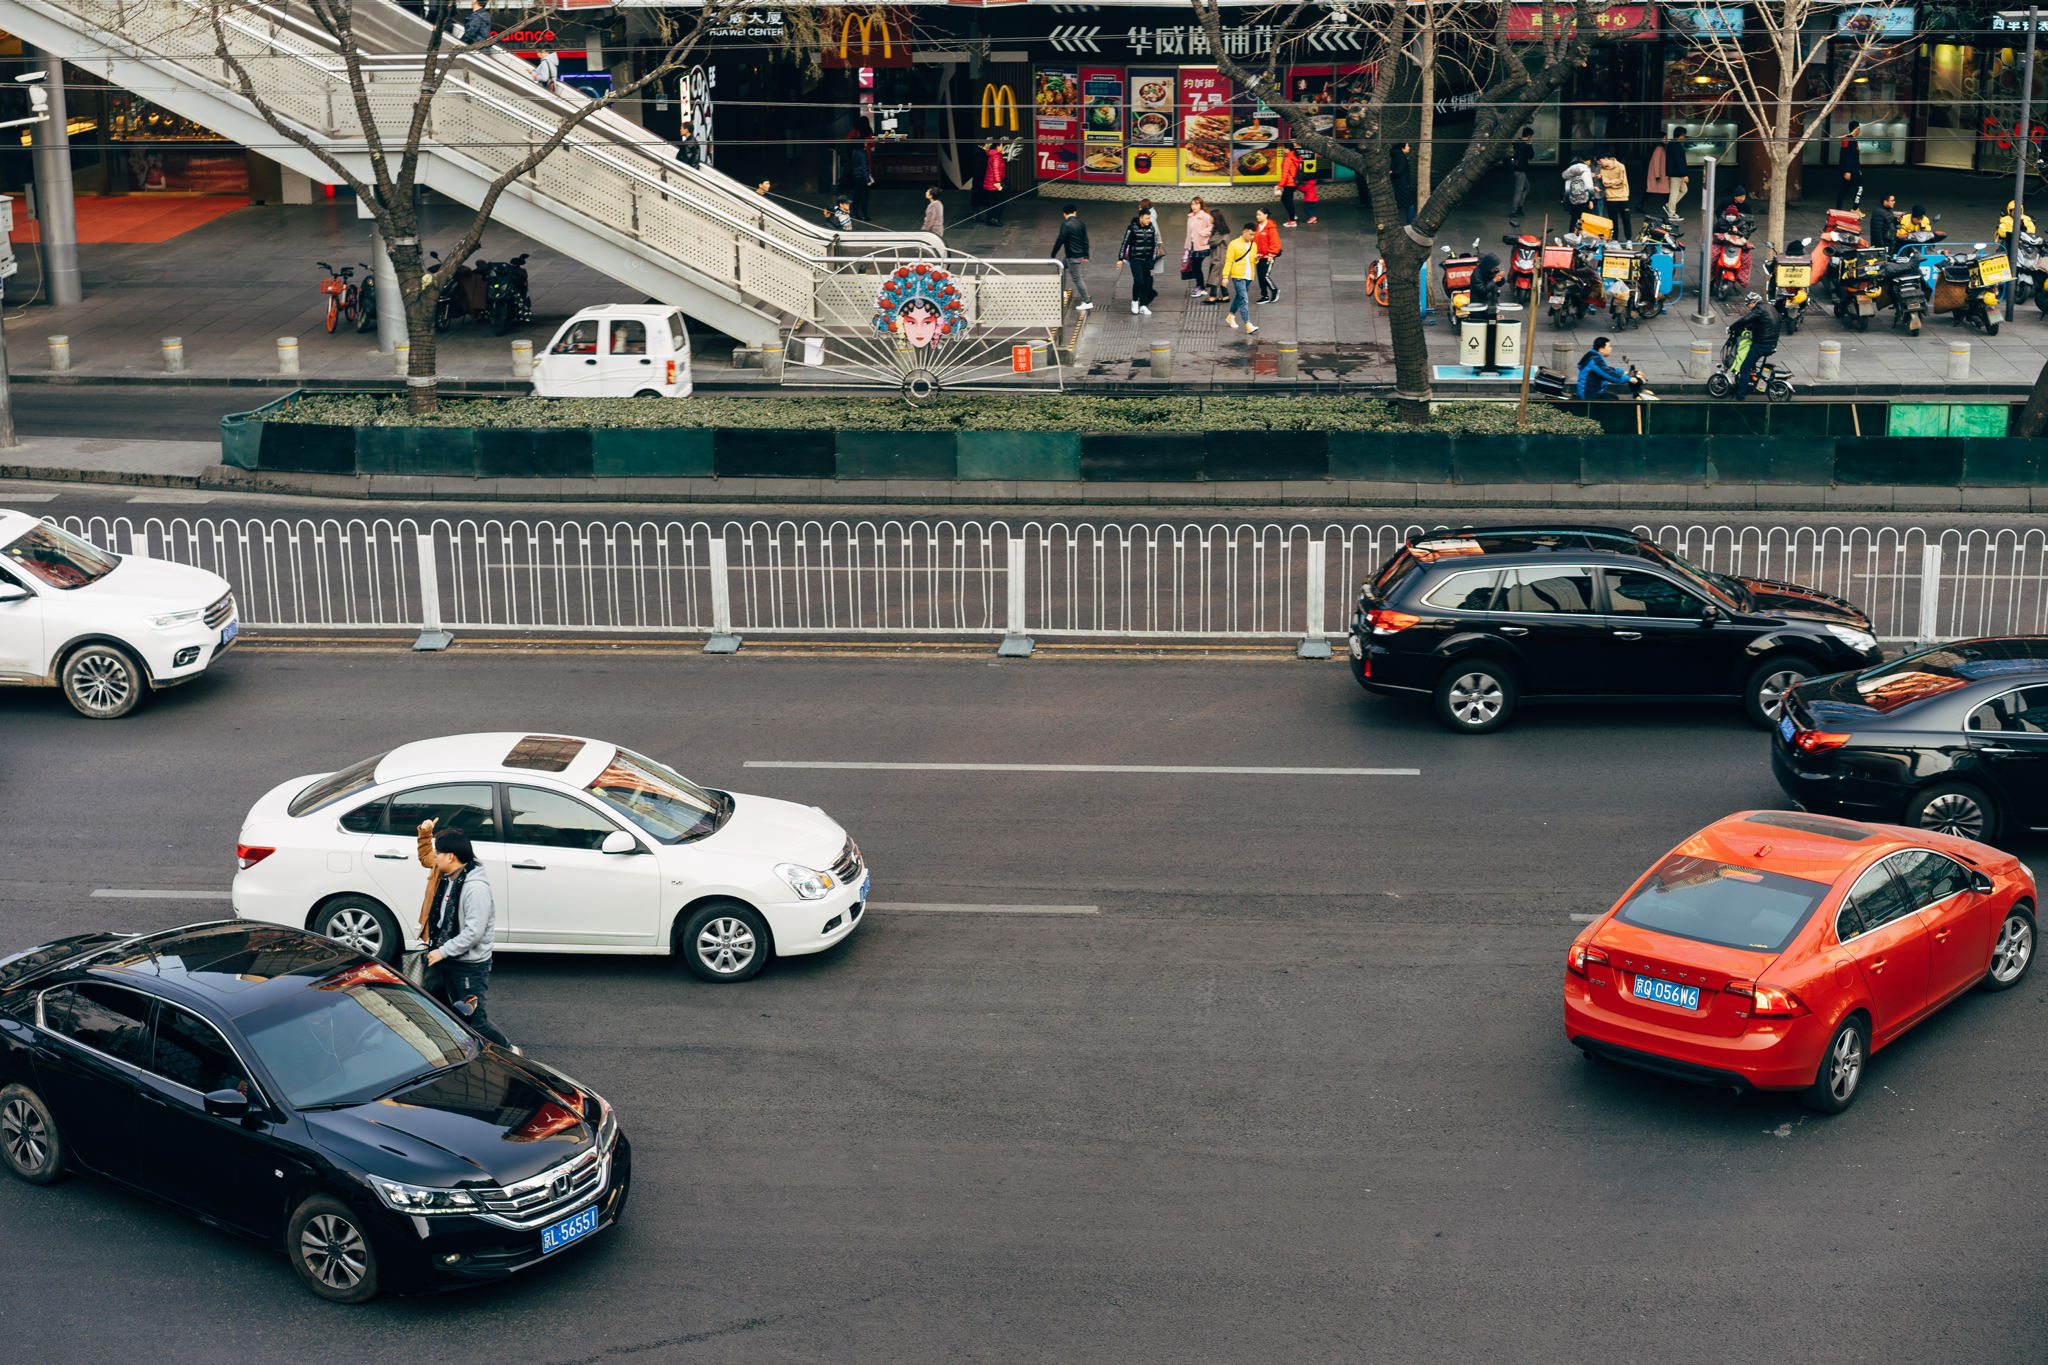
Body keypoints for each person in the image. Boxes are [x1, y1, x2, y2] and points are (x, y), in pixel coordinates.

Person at [417, 825, 510, 1048]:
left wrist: (442, 951)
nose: (435, 858)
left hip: (469, 966)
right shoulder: (452, 878)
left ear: (450, 856)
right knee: (451, 1014)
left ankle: (509, 1051)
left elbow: (474, 932)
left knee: (474, 1021)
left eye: (438, 853)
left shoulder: (475, 888)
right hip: (452, 959)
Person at [1726, 292, 1780, 400]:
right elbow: (1761, 323)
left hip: (1762, 344)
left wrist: (1731, 327)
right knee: (1750, 360)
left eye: (1748, 305)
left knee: (1744, 368)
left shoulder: (1758, 309)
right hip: (1772, 342)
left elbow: (1745, 319)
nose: (1748, 308)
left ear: (1752, 302)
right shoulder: (1768, 307)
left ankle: (1740, 397)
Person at [1575, 335, 1657, 400]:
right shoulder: (1594, 361)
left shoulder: (1594, 357)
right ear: (1601, 349)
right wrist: (1629, 379)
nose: (1611, 349)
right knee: (1613, 400)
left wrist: (1624, 372)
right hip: (1590, 395)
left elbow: (1607, 369)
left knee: (1613, 397)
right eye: (1609, 346)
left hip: (1594, 391)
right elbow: (1610, 375)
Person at [1051, 203, 1092, 311]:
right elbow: (1085, 240)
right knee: (1061, 267)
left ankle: (1087, 301)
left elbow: (1060, 240)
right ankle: (1061, 291)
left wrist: (1053, 254)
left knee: (1077, 279)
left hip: (1072, 256)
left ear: (1064, 214)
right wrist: (1086, 255)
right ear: (1075, 212)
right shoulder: (1081, 223)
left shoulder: (1066, 224)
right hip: (1077, 254)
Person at [1119, 206, 1159, 315]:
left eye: (1149, 218)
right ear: (1140, 218)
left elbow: (1154, 245)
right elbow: (1125, 243)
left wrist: (1153, 260)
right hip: (1135, 259)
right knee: (1139, 281)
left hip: (1148, 260)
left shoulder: (1151, 228)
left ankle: (1143, 305)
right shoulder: (1132, 228)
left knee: (1147, 282)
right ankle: (1135, 301)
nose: (1148, 220)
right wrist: (1120, 258)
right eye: (1146, 218)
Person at [1223, 224, 1260, 333]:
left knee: (1239, 297)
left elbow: (1252, 261)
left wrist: (1256, 259)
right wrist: (1225, 277)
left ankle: (1230, 316)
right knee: (1244, 299)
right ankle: (1248, 324)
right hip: (1238, 276)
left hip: (1249, 275)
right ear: (1244, 232)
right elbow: (1228, 261)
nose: (1252, 237)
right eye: (1250, 234)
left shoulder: (1254, 245)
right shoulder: (1233, 244)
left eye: (1253, 235)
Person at [1183, 197, 1213, 298]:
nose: (1194, 206)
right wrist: (1187, 246)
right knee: (1196, 266)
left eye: (1196, 204)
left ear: (1201, 205)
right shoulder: (1190, 216)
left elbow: (1212, 227)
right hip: (1192, 245)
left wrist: (1202, 233)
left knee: (1196, 266)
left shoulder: (1206, 216)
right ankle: (1201, 287)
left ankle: (1200, 287)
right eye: (1192, 204)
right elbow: (1189, 232)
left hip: (1202, 245)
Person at [843, 122, 873, 223]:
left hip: (856, 175)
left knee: (857, 195)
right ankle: (864, 214)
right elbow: (864, 167)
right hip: (862, 177)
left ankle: (854, 213)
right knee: (864, 196)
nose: (866, 143)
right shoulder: (863, 153)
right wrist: (868, 180)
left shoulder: (854, 152)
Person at [1597, 152, 1632, 238]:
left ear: (1605, 158)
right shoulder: (1602, 169)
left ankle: (1629, 239)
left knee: (1626, 219)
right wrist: (1615, 182)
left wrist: (1610, 183)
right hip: (1610, 197)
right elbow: (1605, 183)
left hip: (1623, 196)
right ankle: (1615, 239)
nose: (1600, 164)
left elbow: (1622, 181)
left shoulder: (1620, 166)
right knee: (1613, 221)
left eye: (1600, 161)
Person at [1253, 207, 1283, 304]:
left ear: (1266, 215)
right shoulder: (1257, 227)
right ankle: (1264, 295)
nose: (1257, 216)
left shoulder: (1271, 228)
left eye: (1259, 214)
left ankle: (1274, 290)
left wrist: (1271, 255)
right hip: (1259, 256)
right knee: (1260, 276)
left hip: (1268, 256)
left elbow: (1275, 242)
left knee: (1265, 276)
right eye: (1257, 214)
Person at [1203, 210, 1232, 303]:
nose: (1210, 218)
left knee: (1214, 277)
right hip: (1219, 256)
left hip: (1219, 258)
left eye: (1211, 217)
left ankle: (1213, 296)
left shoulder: (1220, 231)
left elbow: (1213, 241)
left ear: (1215, 218)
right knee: (1219, 276)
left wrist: (1208, 240)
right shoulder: (1221, 229)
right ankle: (1225, 296)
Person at [980, 138, 1007, 226]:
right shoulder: (996, 156)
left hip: (990, 183)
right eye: (1002, 145)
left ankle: (989, 220)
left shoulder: (992, 155)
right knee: (1001, 201)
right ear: (997, 146)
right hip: (994, 183)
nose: (1002, 147)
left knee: (992, 202)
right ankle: (995, 218)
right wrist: (998, 183)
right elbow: (996, 170)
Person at [1508, 128, 1533, 224]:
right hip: (1520, 170)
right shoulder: (1524, 145)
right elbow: (1531, 156)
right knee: (1519, 191)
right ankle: (1514, 211)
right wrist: (1530, 146)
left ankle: (1519, 207)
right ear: (1529, 136)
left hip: (1516, 169)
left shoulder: (1517, 142)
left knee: (1527, 187)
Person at [1836, 121, 1863, 210]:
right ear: (1856, 129)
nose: (1859, 130)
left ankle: (1838, 209)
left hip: (1846, 170)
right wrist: (1848, 171)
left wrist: (1844, 171)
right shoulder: (1852, 141)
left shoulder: (1846, 139)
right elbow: (1850, 157)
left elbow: (1844, 156)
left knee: (1844, 190)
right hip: (1851, 171)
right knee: (1859, 188)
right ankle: (1855, 209)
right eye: (1859, 128)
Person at [1563, 156, 1597, 222]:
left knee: (1574, 219)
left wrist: (1568, 202)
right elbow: (1589, 186)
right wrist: (1592, 200)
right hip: (1584, 200)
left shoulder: (1569, 172)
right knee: (1584, 219)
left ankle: (1573, 229)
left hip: (1572, 200)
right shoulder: (1585, 170)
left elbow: (1567, 188)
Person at [1391, 140, 1416, 223]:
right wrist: (1393, 173)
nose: (1409, 148)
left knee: (1400, 203)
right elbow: (1399, 171)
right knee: (1410, 204)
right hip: (1403, 184)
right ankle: (1410, 222)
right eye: (1407, 146)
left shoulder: (1397, 156)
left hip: (1399, 183)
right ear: (1402, 148)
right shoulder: (1402, 158)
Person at [1278, 145, 1302, 226]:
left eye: (1283, 148)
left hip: (1289, 183)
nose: (1283, 150)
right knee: (1286, 200)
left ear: (1287, 149)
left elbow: (1285, 174)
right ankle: (1293, 215)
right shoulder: (1295, 157)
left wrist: (1280, 185)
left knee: (1287, 201)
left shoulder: (1287, 159)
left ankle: (1292, 221)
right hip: (1294, 182)